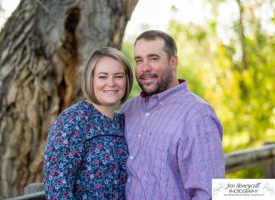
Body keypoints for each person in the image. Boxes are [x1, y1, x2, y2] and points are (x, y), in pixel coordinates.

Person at [120, 30, 225, 200]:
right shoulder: (128, 110)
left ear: (173, 61)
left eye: (153, 58)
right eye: (139, 60)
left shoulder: (198, 116)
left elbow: (209, 194)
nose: (144, 68)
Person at [43, 47, 133, 199]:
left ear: (127, 80)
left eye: (118, 76)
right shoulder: (72, 122)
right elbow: (57, 190)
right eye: (102, 76)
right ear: (90, 79)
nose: (111, 83)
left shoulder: (123, 122)